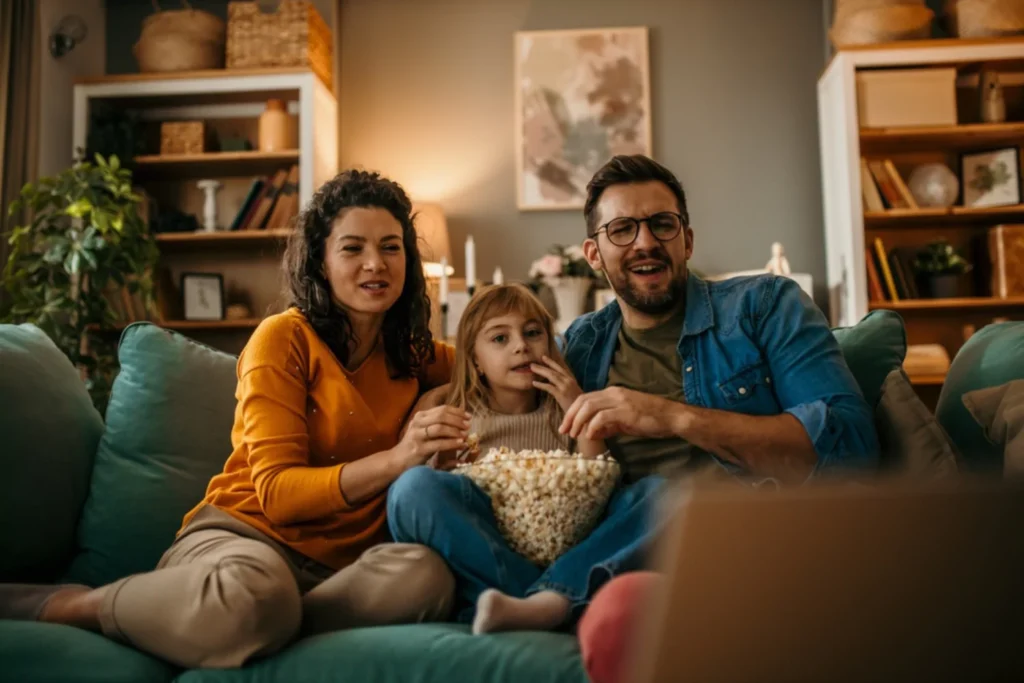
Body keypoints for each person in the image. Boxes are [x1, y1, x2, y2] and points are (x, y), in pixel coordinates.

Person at [0, 170, 466, 669]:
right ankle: (74, 604)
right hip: (243, 542)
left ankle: (263, 626)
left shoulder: (416, 355)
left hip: (337, 573)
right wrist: (397, 460)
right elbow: (279, 496)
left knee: (426, 575)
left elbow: (498, 361)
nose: (376, 263)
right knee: (255, 596)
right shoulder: (283, 338)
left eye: (391, 247)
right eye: (353, 248)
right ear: (321, 261)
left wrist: (556, 388)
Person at [557, 154, 879, 682]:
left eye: (662, 224)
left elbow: (852, 445)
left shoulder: (763, 306)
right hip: (632, 562)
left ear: (687, 239)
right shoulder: (580, 347)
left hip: (757, 547)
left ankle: (550, 596)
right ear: (594, 253)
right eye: (621, 229)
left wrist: (675, 418)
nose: (645, 242)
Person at [387, 283, 665, 634]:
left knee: (662, 494)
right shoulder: (449, 408)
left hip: (569, 542)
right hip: (492, 546)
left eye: (533, 333)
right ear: (474, 358)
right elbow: (423, 490)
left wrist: (576, 405)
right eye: (499, 339)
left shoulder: (565, 408)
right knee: (412, 488)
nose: (521, 345)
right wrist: (442, 468)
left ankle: (546, 598)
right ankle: (548, 600)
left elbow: (600, 484)